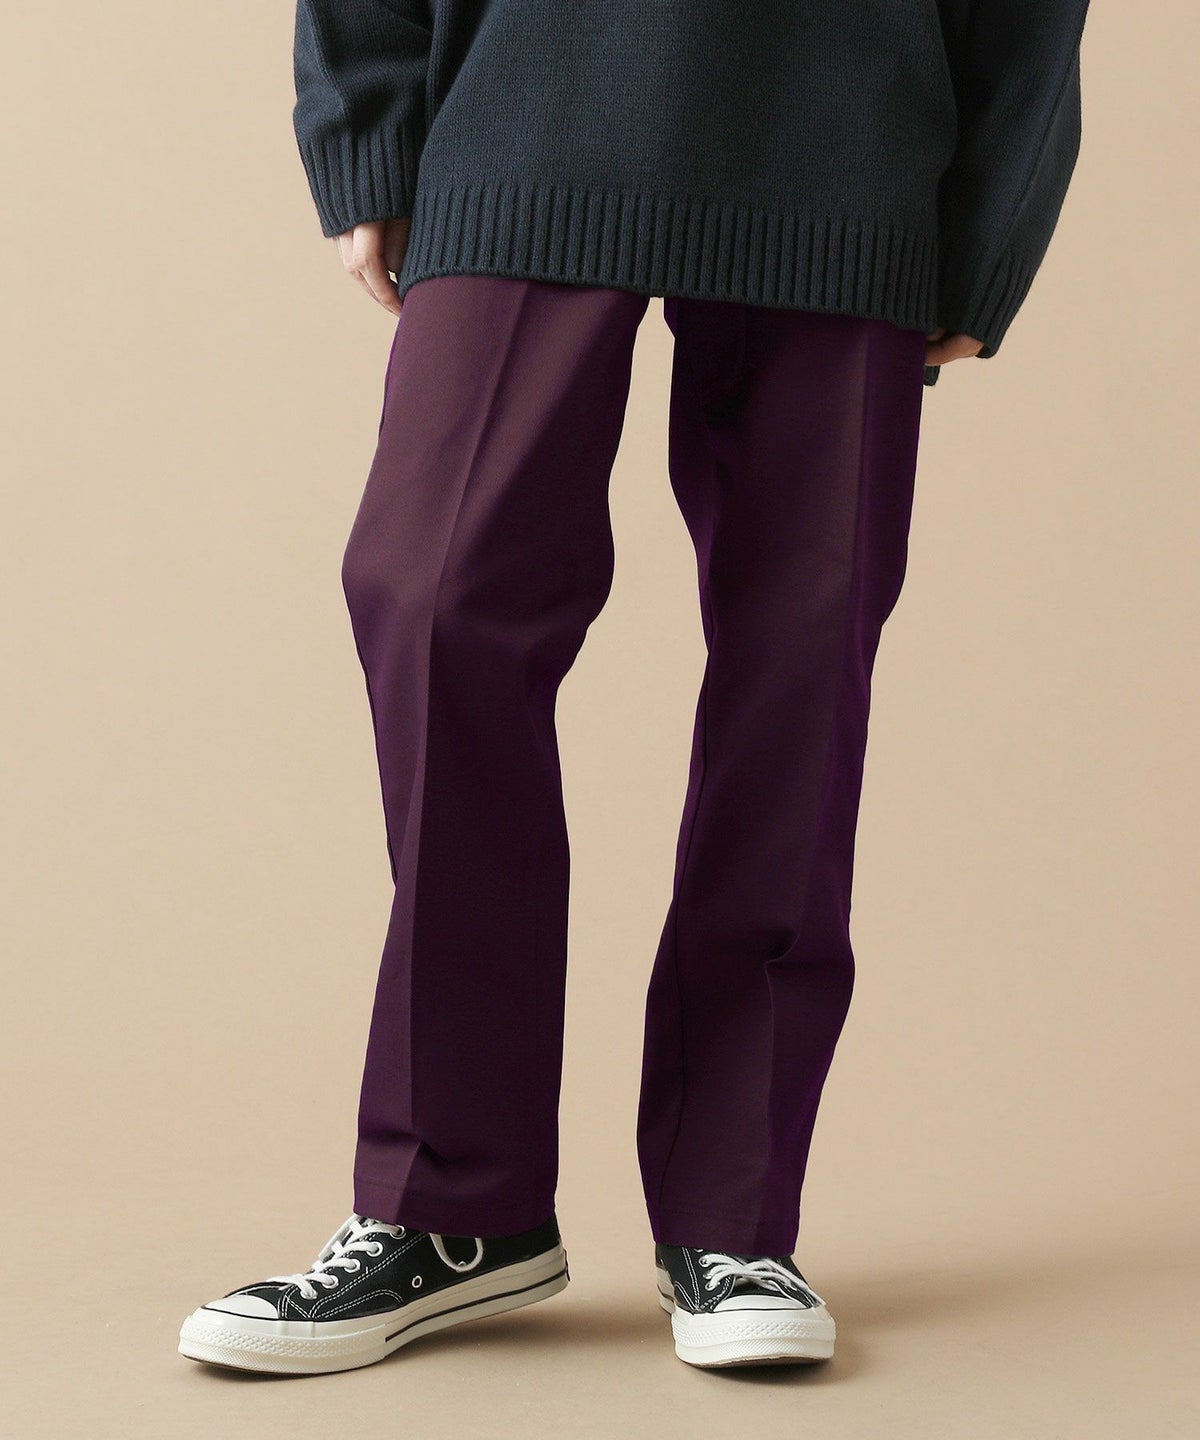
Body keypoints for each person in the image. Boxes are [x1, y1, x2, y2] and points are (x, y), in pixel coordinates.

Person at [179, 0, 1091, 1374]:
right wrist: (367, 114)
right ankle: (454, 1200)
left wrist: (993, 208)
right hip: (525, 100)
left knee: (801, 665)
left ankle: (734, 1215)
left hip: (851, 132)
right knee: (431, 596)